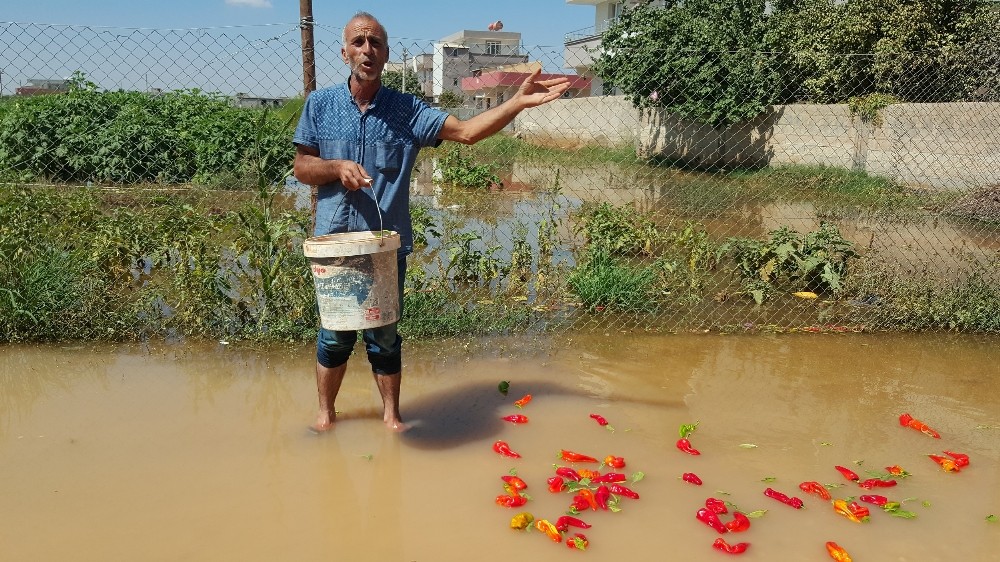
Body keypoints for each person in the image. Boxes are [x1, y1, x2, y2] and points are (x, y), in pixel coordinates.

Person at [293, 12, 569, 432]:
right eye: (359, 41)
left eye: (377, 43)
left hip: (385, 248)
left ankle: (392, 417)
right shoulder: (321, 105)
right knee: (334, 336)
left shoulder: (407, 111)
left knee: (383, 336)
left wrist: (516, 102)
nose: (368, 50)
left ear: (386, 55)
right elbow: (302, 167)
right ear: (345, 50)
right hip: (336, 246)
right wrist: (335, 167)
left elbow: (467, 132)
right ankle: (325, 415)